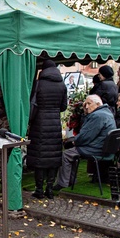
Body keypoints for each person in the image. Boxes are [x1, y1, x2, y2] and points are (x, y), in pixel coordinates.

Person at [53, 95, 117, 192]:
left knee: (65, 155)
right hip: (103, 147)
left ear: (98, 104)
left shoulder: (98, 116)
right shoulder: (106, 112)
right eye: (85, 104)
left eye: (89, 104)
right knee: (70, 153)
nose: (86, 107)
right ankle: (70, 180)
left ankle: (63, 183)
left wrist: (75, 141)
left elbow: (85, 136)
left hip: (96, 148)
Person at [26, 59, 68, 200]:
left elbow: (32, 104)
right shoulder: (62, 85)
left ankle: (39, 189)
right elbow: (63, 107)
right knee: (53, 156)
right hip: (55, 123)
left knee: (40, 157)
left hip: (40, 123)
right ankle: (50, 189)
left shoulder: (38, 84)